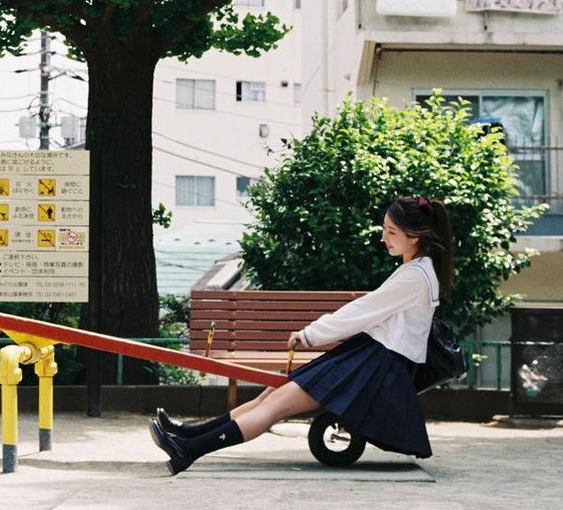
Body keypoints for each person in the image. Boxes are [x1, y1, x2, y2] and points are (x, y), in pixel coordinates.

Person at [150, 195, 452, 474]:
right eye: (385, 229)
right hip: (369, 359)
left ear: (416, 235)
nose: (384, 237)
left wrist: (310, 334)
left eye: (392, 232)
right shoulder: (418, 270)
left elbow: (362, 311)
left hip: (373, 365)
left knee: (275, 405)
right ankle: (190, 433)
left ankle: (189, 448)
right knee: (273, 395)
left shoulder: (415, 277)